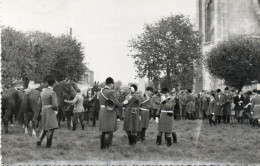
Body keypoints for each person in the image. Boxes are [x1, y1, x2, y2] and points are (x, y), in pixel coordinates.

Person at [98, 77, 122, 149]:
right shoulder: (110, 92)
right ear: (111, 84)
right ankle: (107, 147)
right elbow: (117, 104)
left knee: (104, 130)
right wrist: (123, 103)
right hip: (109, 111)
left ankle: (103, 147)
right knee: (109, 130)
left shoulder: (100, 92)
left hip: (102, 111)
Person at [37, 75, 59, 148]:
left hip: (43, 110)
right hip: (50, 111)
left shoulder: (42, 92)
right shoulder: (52, 93)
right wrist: (55, 111)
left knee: (44, 128)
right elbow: (55, 105)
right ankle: (48, 145)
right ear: (54, 84)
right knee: (51, 128)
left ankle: (38, 141)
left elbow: (39, 103)